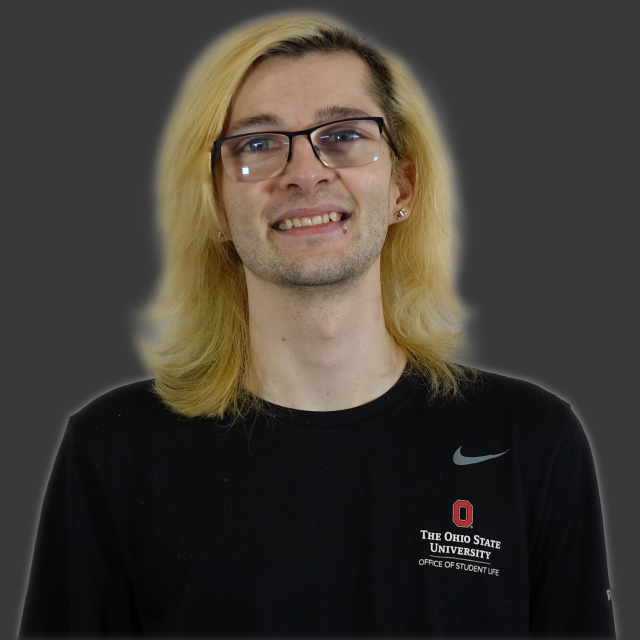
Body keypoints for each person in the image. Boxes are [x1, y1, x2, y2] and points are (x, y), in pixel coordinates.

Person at [20, 13, 615, 637]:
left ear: (403, 186)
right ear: (215, 203)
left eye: (345, 135)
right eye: (257, 144)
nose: (305, 173)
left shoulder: (529, 441)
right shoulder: (115, 451)